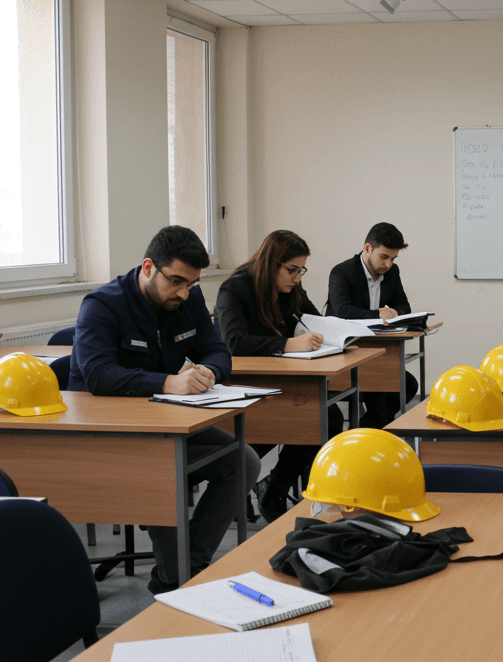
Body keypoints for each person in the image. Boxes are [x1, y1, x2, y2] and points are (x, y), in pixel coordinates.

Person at [71, 225, 261, 595]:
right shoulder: (102, 304)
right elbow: (96, 375)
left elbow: (218, 350)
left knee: (244, 461)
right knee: (164, 472)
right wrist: (166, 382)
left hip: (169, 423)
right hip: (113, 434)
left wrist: (210, 370)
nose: (184, 293)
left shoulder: (188, 298)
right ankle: (179, 576)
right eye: (176, 281)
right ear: (147, 268)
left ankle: (185, 565)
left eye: (191, 284)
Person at [214, 230, 327, 523]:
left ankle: (272, 487)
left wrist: (334, 333)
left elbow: (315, 320)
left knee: (323, 415)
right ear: (271, 263)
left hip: (280, 380)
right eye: (292, 270)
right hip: (239, 385)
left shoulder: (291, 290)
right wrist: (289, 344)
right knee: (311, 418)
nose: (297, 278)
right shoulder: (234, 289)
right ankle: (264, 486)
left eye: (301, 270)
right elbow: (235, 342)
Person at [325, 222, 418, 427]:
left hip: (376, 354)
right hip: (346, 353)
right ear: (368, 248)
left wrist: (394, 314)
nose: (388, 264)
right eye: (384, 257)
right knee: (380, 393)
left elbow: (404, 306)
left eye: (393, 258)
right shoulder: (342, 272)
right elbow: (343, 312)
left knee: (409, 384)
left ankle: (364, 431)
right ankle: (366, 439)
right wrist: (379, 315)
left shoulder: (392, 273)